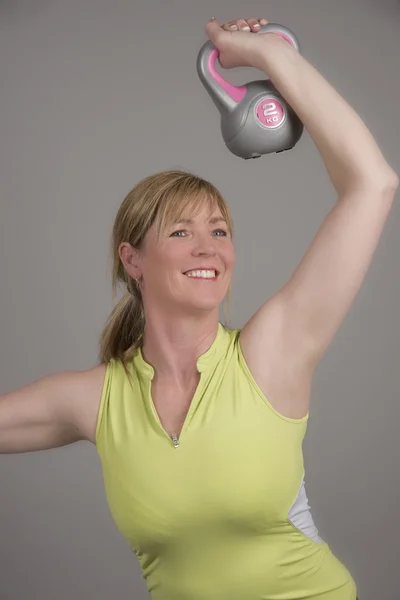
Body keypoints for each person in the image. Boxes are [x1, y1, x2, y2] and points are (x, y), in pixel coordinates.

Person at [0, 15, 397, 600]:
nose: (208, 247)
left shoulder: (271, 354)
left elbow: (373, 184)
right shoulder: (98, 400)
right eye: (181, 233)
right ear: (133, 259)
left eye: (219, 230)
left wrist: (269, 59)